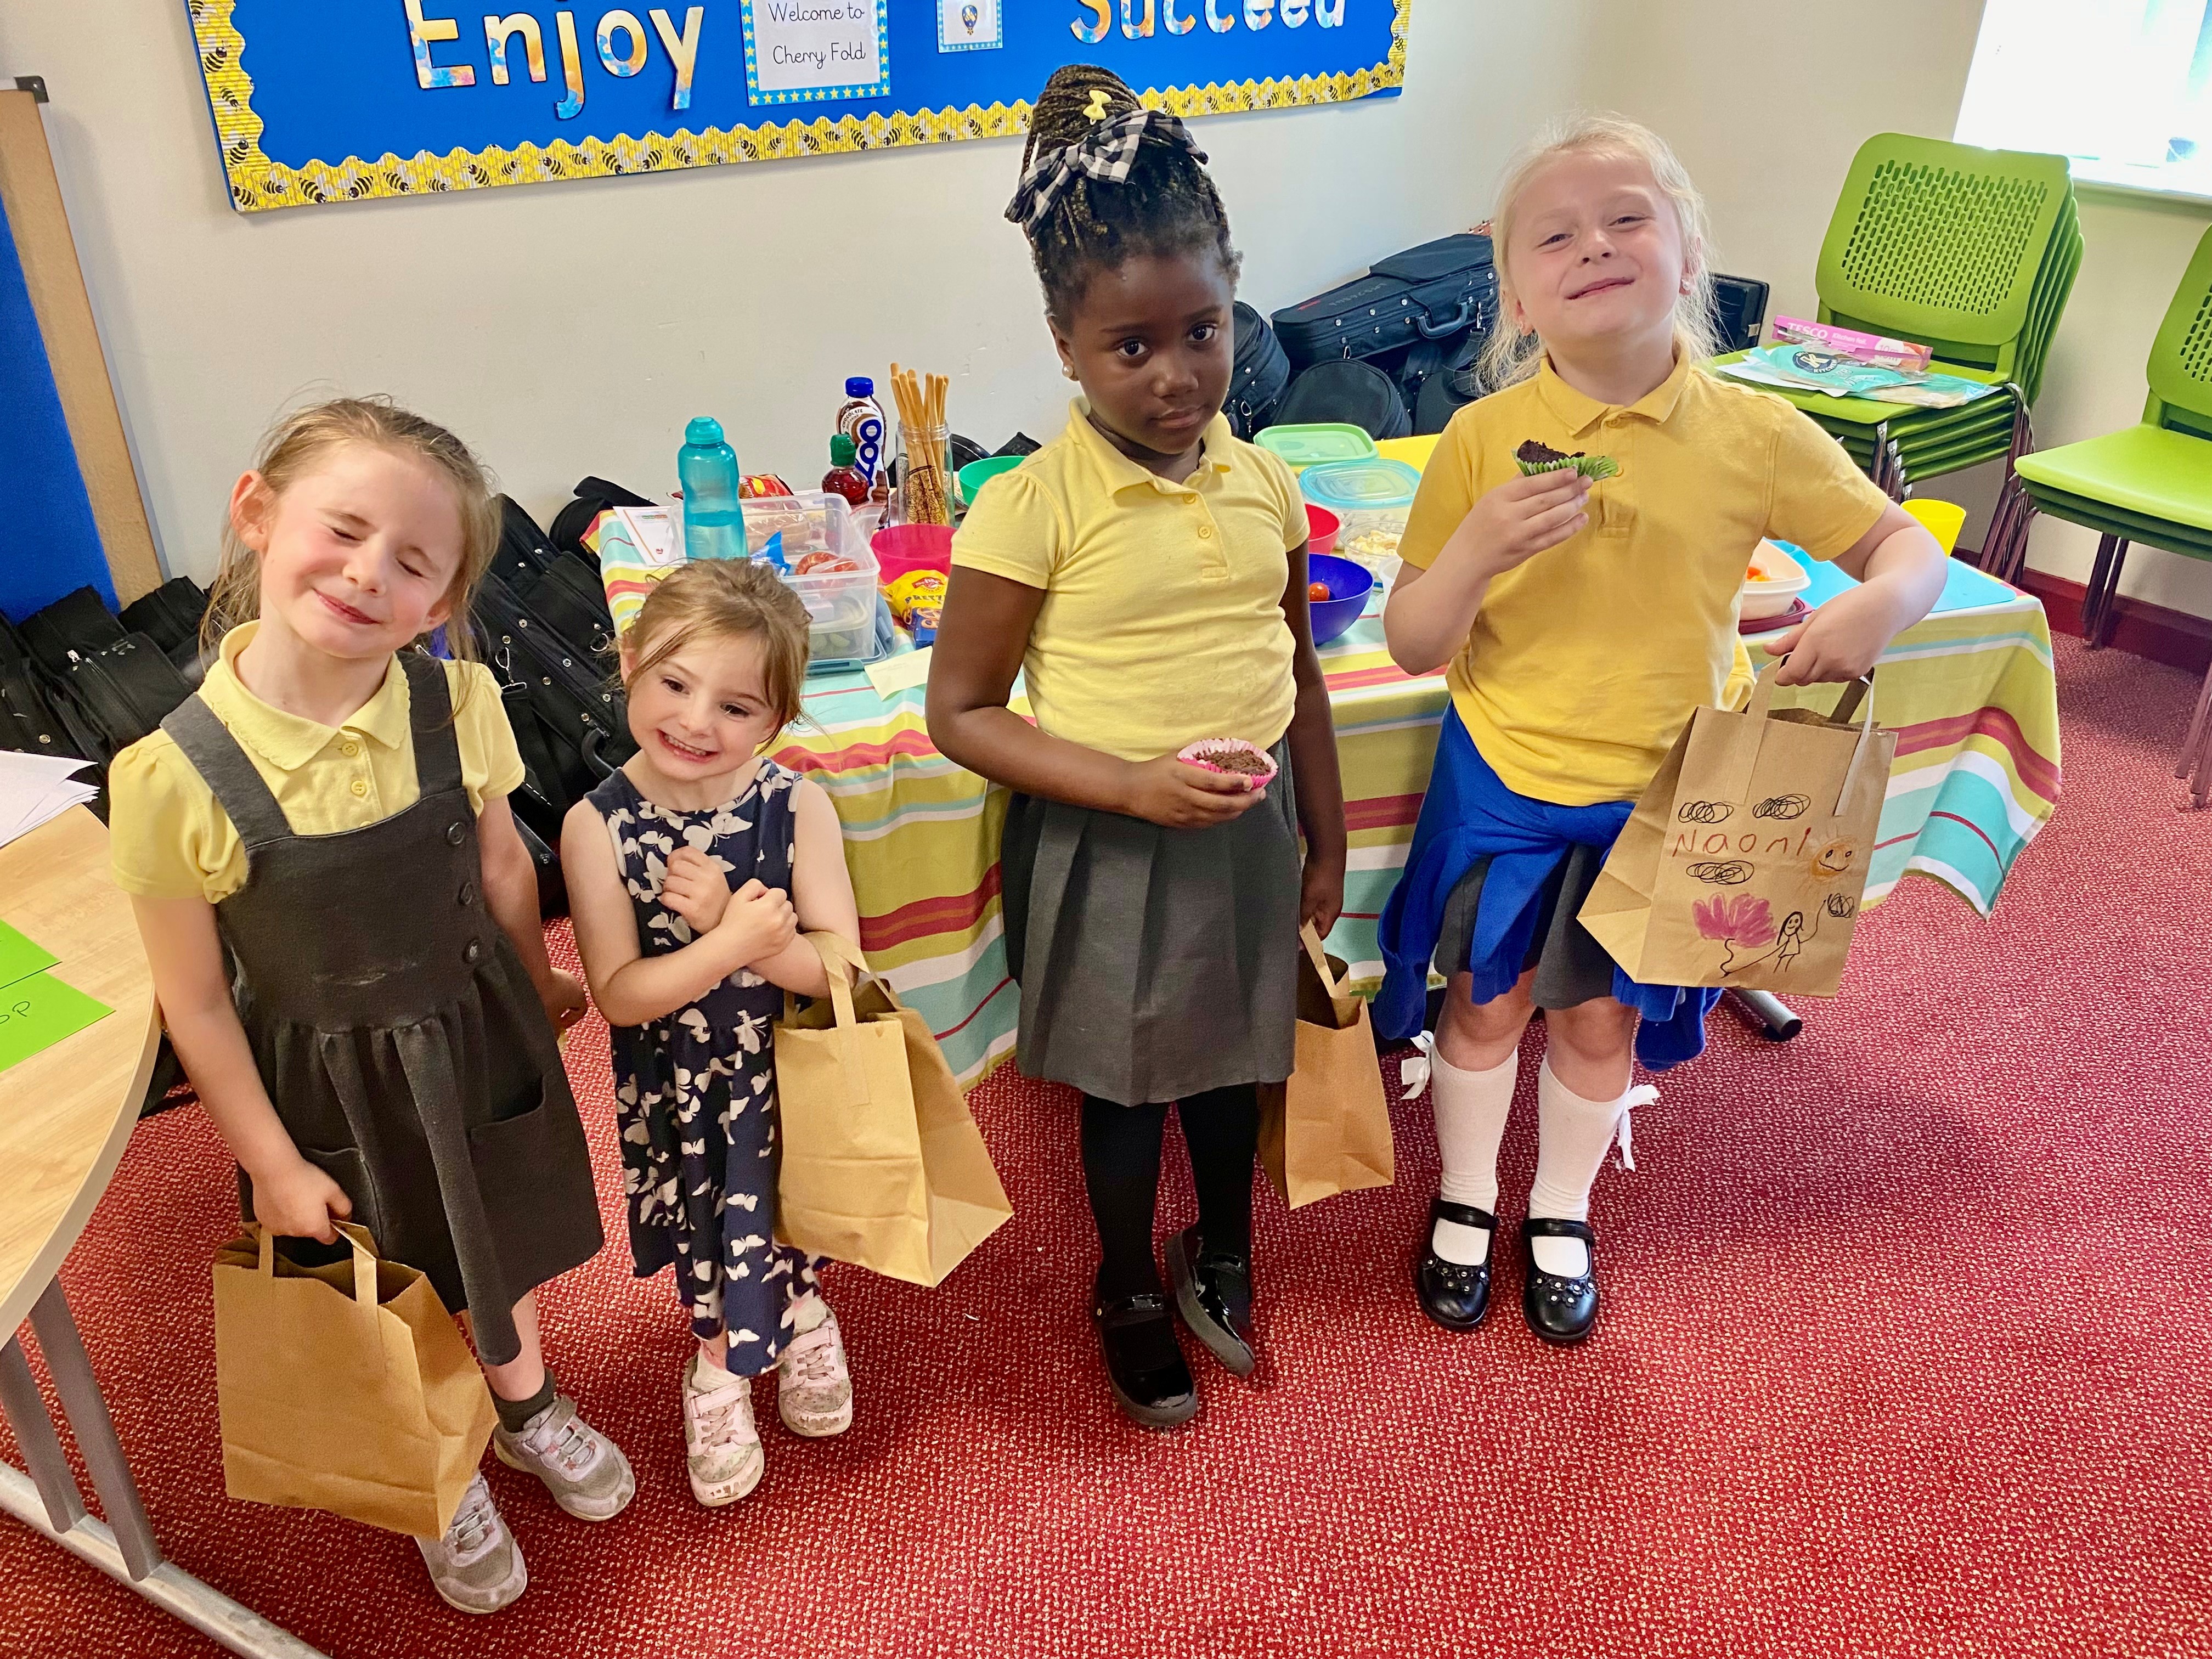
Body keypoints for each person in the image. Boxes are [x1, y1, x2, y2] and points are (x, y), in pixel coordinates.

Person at [1376, 116, 1948, 1346]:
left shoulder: (1755, 435)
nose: (1594, 245)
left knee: (1602, 1020)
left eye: (1627, 218)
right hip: (1506, 780)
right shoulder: (1479, 438)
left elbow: (1904, 546)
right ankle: (1466, 1193)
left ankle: (1561, 1207)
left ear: (1690, 256)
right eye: (1555, 236)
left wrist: (1881, 603)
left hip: (1665, 790)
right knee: (1485, 1003)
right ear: (1515, 297)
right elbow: (1414, 640)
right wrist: (1474, 551)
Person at [112, 398, 628, 1616]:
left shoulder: (459, 701)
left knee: (492, 1241)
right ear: (256, 514)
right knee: (379, 1282)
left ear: (445, 600)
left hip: (473, 1032)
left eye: (413, 562)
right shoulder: (169, 775)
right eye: (343, 531)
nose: (366, 575)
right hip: (320, 1085)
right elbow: (195, 1004)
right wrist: (270, 1163)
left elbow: (505, 868)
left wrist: (539, 980)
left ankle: (525, 1408)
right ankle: (439, 1475)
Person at [928, 65, 1347, 1430]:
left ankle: (1221, 1242)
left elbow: (1301, 673)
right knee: (1123, 1091)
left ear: (1236, 305)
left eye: (1203, 331)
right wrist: (1131, 786)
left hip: (1249, 834)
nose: (1176, 375)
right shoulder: (1028, 505)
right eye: (1130, 348)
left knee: (1235, 1061)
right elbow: (961, 713)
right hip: (1108, 839)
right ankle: (1122, 1278)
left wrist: (1327, 839)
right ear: (1065, 345)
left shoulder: (1266, 477)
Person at [562, 558, 862, 1506]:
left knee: (794, 1213)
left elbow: (842, 973)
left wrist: (758, 941)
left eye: (736, 707)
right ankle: (717, 1367)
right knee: (707, 1230)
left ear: (777, 719)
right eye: (676, 684)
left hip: (785, 1069)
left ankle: (803, 1317)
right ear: (631, 662)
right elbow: (619, 996)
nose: (696, 722)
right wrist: (728, 941)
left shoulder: (797, 806)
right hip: (680, 1083)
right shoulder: (595, 827)